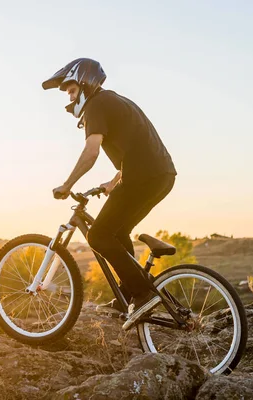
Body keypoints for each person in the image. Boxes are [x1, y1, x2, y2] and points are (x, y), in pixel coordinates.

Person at [42, 58, 177, 322]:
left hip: (144, 176)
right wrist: (114, 182)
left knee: (98, 236)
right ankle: (128, 297)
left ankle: (142, 295)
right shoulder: (114, 101)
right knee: (117, 231)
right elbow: (137, 146)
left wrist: (66, 185)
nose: (69, 97)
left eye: (71, 90)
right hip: (159, 175)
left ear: (84, 83)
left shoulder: (96, 105)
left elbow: (91, 152)